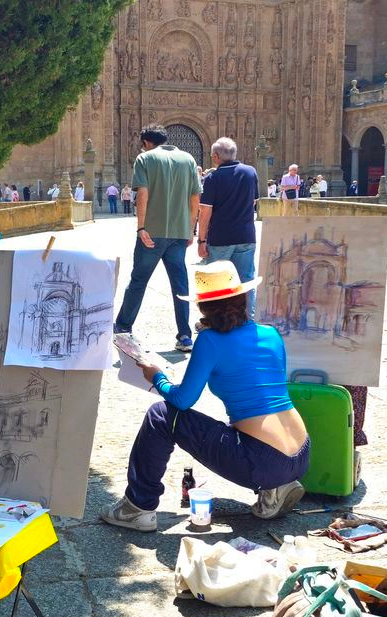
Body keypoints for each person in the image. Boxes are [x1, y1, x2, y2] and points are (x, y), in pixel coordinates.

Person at [103, 261, 310, 531]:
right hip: (301, 453)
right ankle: (275, 487)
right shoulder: (271, 334)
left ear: (204, 306)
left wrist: (157, 377)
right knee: (237, 426)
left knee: (161, 416)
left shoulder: (210, 340)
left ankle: (137, 507)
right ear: (242, 298)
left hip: (262, 459)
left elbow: (183, 400)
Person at [112, 125, 203, 353]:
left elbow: (142, 193)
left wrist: (141, 227)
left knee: (138, 281)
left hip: (151, 233)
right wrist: (190, 229)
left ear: (146, 142)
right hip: (178, 234)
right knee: (180, 285)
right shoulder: (188, 159)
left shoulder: (145, 159)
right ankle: (185, 336)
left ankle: (123, 327)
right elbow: (195, 197)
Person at [197, 137, 259, 313]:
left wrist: (201, 240)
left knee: (216, 281)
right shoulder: (250, 172)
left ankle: (216, 319)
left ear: (216, 156)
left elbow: (205, 212)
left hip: (220, 237)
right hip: (246, 235)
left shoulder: (212, 178)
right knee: (246, 280)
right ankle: (247, 318)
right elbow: (253, 202)